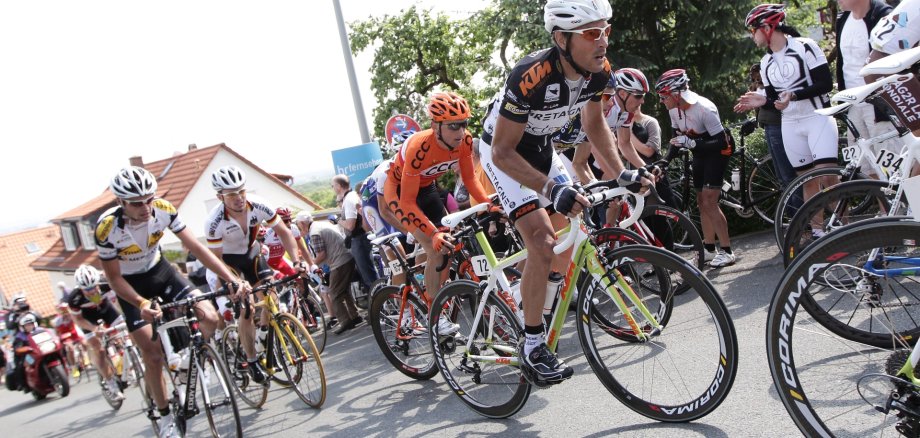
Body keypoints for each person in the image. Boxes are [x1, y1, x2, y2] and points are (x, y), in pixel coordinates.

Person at [479, 0, 649, 386]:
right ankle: (532, 342)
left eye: (606, 30)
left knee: (567, 243)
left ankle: (532, 305)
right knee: (542, 241)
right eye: (592, 33)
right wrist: (550, 188)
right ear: (561, 38)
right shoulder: (531, 75)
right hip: (501, 152)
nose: (602, 41)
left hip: (541, 148)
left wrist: (621, 173)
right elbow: (503, 152)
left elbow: (594, 125)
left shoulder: (598, 72)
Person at [97, 166, 248, 438]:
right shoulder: (107, 228)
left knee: (210, 317)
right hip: (130, 286)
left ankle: (191, 359)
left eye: (149, 199)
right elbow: (114, 279)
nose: (145, 207)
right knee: (153, 354)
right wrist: (141, 303)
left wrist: (230, 279)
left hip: (161, 272)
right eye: (136, 203)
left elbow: (198, 248)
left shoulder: (164, 209)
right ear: (120, 203)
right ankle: (166, 417)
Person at [383, 91, 492, 320]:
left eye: (463, 124)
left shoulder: (465, 141)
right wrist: (433, 233)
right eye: (453, 126)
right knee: (435, 246)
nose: (461, 132)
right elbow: (407, 202)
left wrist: (488, 204)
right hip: (400, 192)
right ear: (435, 126)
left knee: (448, 246)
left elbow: (470, 179)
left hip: (427, 188)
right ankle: (435, 314)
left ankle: (439, 296)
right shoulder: (418, 147)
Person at [735, 4, 839, 239]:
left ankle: (844, 222)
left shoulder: (805, 47)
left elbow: (824, 83)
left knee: (827, 176)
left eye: (753, 30)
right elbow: (775, 100)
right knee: (807, 180)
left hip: (817, 117)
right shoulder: (765, 63)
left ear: (768, 27)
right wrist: (762, 102)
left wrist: (795, 94)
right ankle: (819, 232)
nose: (752, 36)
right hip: (790, 124)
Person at [204, 165, 306, 385]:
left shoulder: (258, 205)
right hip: (228, 264)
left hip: (251, 255)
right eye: (232, 194)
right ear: (220, 197)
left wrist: (297, 261)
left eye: (241, 191)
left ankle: (262, 336)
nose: (239, 197)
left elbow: (284, 233)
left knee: (271, 298)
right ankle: (251, 359)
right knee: (247, 308)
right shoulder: (214, 222)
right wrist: (235, 283)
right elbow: (216, 260)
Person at [657, 69, 737, 267]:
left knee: (710, 201)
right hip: (701, 152)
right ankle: (709, 249)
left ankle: (727, 251)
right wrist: (665, 162)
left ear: (676, 94)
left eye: (663, 96)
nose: (661, 101)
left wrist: (693, 144)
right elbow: (677, 140)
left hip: (718, 151)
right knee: (701, 201)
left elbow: (720, 141)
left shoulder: (704, 108)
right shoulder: (673, 110)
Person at [837, 0, 899, 165]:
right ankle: (873, 192)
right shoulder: (842, 19)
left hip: (878, 104)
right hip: (852, 102)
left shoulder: (883, 15)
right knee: (862, 166)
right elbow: (842, 63)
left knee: (890, 165)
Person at [295, 211, 363, 335]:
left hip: (339, 261)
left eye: (299, 225)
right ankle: (355, 316)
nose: (299, 229)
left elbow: (321, 255)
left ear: (303, 224)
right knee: (343, 291)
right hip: (346, 257)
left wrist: (311, 265)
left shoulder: (314, 233)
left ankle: (345, 321)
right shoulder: (320, 225)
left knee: (335, 293)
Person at [69, 264, 125, 400]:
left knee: (126, 332)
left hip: (107, 311)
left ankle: (130, 360)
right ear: (80, 288)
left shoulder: (106, 284)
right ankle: (110, 383)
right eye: (87, 289)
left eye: (94, 286)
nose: (92, 291)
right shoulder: (74, 299)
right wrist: (94, 329)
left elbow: (120, 299)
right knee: (98, 349)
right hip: (88, 320)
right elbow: (78, 320)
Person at [332, 174, 378, 296]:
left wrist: (338, 220)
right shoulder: (352, 196)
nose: (333, 188)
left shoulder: (348, 200)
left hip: (359, 239)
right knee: (369, 273)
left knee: (368, 275)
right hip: (361, 238)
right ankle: (381, 304)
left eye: (333, 186)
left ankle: (381, 306)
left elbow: (350, 225)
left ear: (338, 186)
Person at [52, 302, 86, 378]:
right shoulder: (57, 321)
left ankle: (86, 356)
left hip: (74, 333)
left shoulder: (72, 316)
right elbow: (57, 333)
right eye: (63, 311)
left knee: (84, 342)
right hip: (65, 336)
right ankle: (73, 367)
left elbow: (79, 323)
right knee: (70, 349)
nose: (65, 313)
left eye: (66, 310)